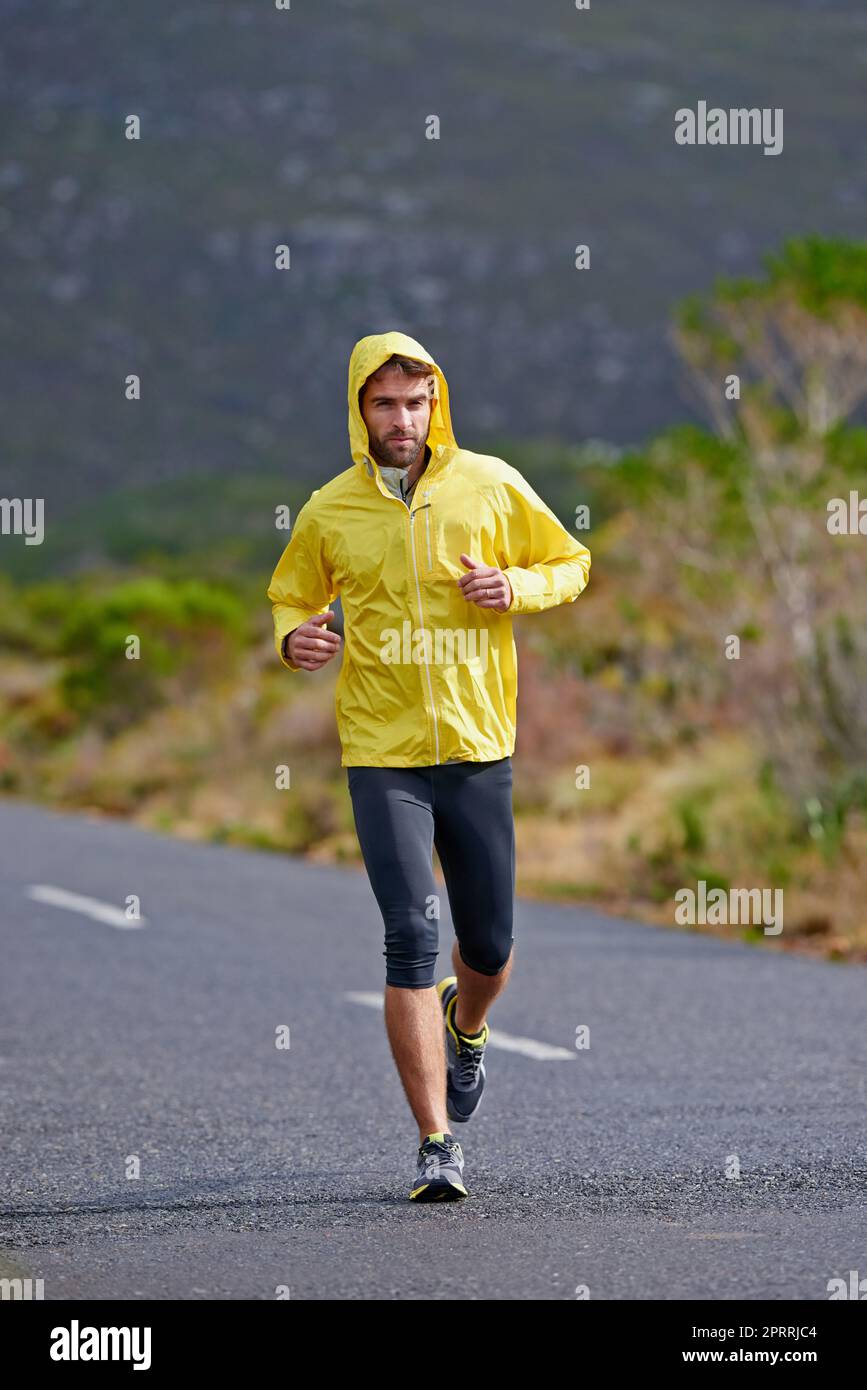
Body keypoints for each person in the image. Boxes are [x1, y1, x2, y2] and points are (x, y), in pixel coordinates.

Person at [267, 331, 591, 1201]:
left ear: (434, 403)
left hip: (479, 745)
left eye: (414, 402)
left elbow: (571, 560)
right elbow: (293, 594)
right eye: (384, 404)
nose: (401, 419)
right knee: (410, 935)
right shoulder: (330, 508)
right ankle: (435, 1144)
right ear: (359, 412)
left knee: (487, 944)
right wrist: (292, 639)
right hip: (382, 753)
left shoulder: (489, 484)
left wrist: (515, 590)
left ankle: (468, 1023)